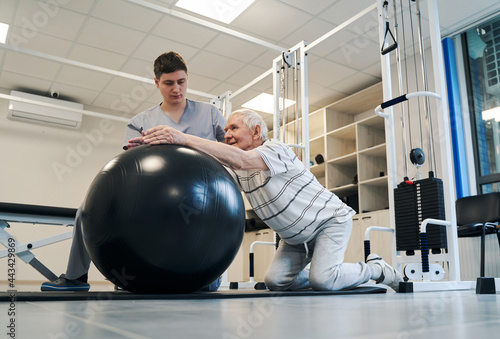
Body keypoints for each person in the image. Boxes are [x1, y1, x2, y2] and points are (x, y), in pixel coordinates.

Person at [128, 108, 403, 292]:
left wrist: (182, 136)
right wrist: (162, 145)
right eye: (226, 129)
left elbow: (243, 160)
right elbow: (208, 165)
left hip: (329, 222)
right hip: (295, 238)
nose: (227, 134)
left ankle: (376, 269)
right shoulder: (238, 168)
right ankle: (329, 270)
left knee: (323, 281)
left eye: (234, 128)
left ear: (257, 132)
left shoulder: (276, 150)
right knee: (275, 282)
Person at [41, 51, 227, 292]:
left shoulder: (210, 114)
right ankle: (77, 277)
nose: (176, 89)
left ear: (187, 79)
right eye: (168, 83)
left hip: (201, 195)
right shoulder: (140, 121)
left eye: (181, 82)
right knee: (86, 210)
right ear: (156, 82)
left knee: (197, 240)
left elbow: (230, 151)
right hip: (155, 194)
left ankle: (207, 274)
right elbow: (129, 163)